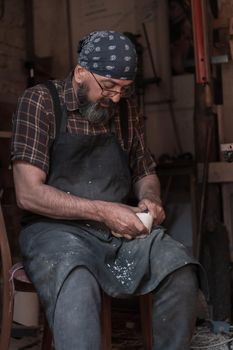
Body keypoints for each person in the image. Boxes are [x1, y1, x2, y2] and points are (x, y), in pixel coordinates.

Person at [11, 30, 202, 350]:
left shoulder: (125, 111)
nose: (115, 97)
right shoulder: (41, 102)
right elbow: (28, 193)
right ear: (80, 72)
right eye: (109, 86)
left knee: (179, 266)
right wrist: (103, 210)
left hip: (117, 231)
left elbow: (145, 171)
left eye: (123, 89)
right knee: (76, 279)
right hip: (54, 232)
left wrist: (150, 197)